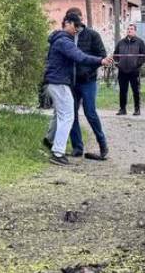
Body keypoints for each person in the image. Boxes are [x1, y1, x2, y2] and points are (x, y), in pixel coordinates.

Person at [41, 12, 105, 164]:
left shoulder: (59, 39)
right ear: (68, 23)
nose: (77, 30)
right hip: (59, 83)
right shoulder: (64, 41)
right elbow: (80, 57)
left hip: (55, 82)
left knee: (63, 115)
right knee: (68, 116)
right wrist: (100, 61)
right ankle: (57, 153)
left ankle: (53, 144)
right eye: (75, 26)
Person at [63, 7, 110, 159]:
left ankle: (102, 143)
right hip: (71, 82)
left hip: (88, 81)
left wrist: (89, 69)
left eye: (77, 19)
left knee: (90, 112)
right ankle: (77, 147)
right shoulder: (66, 37)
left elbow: (101, 56)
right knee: (72, 114)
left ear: (81, 19)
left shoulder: (92, 35)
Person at [113, 23, 145, 116]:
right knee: (123, 90)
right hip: (122, 71)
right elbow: (115, 55)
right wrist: (118, 64)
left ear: (135, 31)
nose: (129, 30)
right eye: (128, 29)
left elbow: (144, 55)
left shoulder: (140, 42)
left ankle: (137, 109)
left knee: (135, 90)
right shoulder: (120, 42)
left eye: (131, 29)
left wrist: (137, 65)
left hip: (134, 71)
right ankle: (122, 109)